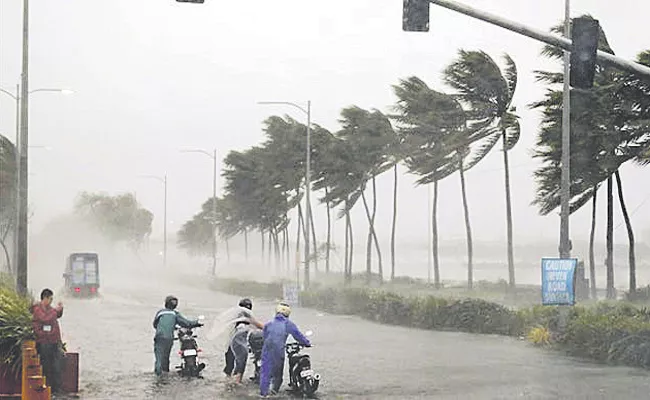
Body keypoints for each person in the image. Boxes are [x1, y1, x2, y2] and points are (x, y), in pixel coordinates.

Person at [259, 301, 311, 398]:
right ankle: (274, 393)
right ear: (288, 314)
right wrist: (307, 343)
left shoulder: (268, 324)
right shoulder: (288, 324)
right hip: (278, 352)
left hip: (266, 351)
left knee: (265, 374)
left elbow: (265, 337)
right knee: (277, 376)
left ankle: (263, 395)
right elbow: (298, 336)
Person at [152, 295, 202, 376]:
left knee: (159, 358)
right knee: (166, 357)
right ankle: (165, 373)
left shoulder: (160, 312)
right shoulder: (174, 314)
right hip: (169, 338)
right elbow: (187, 323)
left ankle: (158, 376)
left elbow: (155, 325)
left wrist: (170, 327)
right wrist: (197, 323)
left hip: (159, 337)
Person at [30, 288, 64, 394]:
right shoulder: (38, 310)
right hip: (44, 342)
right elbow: (47, 318)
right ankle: (47, 389)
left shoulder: (51, 310)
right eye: (50, 299)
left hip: (54, 341)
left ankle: (56, 389)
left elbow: (57, 314)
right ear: (44, 298)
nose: (51, 302)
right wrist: (57, 310)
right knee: (46, 366)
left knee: (57, 365)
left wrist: (60, 309)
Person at [223, 298, 264, 384]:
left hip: (235, 342)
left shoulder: (237, 316)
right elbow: (258, 325)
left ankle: (231, 380)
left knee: (234, 361)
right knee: (240, 363)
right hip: (239, 342)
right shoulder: (246, 317)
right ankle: (235, 381)